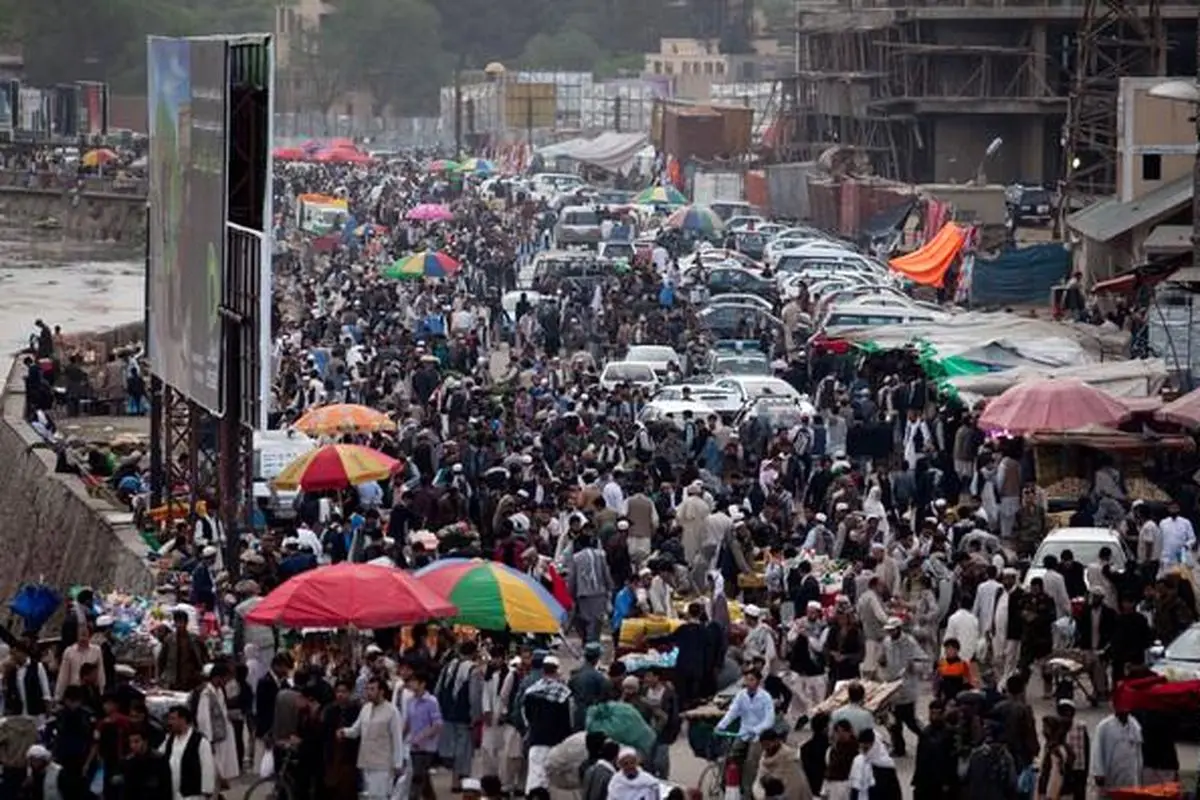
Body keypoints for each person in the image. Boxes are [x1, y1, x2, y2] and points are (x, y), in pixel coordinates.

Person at [337, 676, 406, 800]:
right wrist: (344, 732)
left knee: (379, 796)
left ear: (381, 691)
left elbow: (397, 739)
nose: (369, 692)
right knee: (369, 796)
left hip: (383, 763)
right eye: (367, 689)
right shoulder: (365, 709)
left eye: (372, 689)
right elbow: (356, 730)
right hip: (366, 761)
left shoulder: (392, 711)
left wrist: (398, 763)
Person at [715, 668, 775, 799]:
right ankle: (727, 785)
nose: (748, 682)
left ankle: (750, 793)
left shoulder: (765, 697)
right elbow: (732, 712)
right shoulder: (741, 695)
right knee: (731, 757)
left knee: (752, 763)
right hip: (743, 733)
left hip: (758, 736)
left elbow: (769, 719)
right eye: (747, 679)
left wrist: (757, 730)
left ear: (758, 682)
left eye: (752, 680)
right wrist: (721, 725)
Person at [522, 655, 573, 794]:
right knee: (550, 778)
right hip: (556, 742)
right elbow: (567, 720)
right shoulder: (564, 693)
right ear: (557, 670)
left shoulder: (531, 691)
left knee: (534, 775)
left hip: (536, 739)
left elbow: (527, 716)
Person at [878, 617, 926, 757]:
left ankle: (927, 739)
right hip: (891, 687)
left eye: (892, 630)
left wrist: (914, 666)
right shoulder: (886, 642)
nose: (890, 633)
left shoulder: (910, 643)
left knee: (910, 721)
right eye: (888, 631)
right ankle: (899, 748)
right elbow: (883, 658)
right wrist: (882, 661)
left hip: (907, 687)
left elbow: (923, 662)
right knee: (893, 723)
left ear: (899, 629)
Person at [1091, 692, 1144, 794]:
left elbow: (1138, 751)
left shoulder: (1134, 725)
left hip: (1129, 773)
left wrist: (1139, 771)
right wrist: (1099, 772)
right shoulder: (1104, 726)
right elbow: (1097, 750)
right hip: (1111, 772)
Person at [160, 704, 216, 800]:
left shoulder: (200, 741)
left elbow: (207, 766)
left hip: (192, 795)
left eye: (173, 719)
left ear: (183, 720)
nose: (170, 722)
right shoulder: (170, 739)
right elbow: (159, 756)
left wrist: (207, 790)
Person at [912, 699, 956, 800]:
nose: (935, 717)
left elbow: (951, 761)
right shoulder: (925, 733)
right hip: (925, 781)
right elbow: (920, 758)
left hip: (941, 782)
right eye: (932, 713)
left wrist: (948, 782)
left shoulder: (949, 733)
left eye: (938, 713)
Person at [756, 728, 813, 800]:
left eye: (767, 744)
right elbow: (759, 780)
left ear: (776, 741)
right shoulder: (764, 759)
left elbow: (795, 785)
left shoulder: (789, 757)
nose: (766, 748)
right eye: (763, 745)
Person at [120, 725, 173, 800]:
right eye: (131, 742)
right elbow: (127, 791)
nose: (133, 745)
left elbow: (166, 788)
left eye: (136, 741)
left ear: (145, 741)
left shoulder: (159, 759)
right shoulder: (128, 762)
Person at [847, 728, 899, 800]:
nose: (864, 752)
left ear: (874, 745)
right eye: (861, 748)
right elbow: (854, 788)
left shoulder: (886, 764)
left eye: (866, 748)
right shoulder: (858, 761)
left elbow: (894, 794)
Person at [799, 713, 829, 798]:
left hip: (811, 790)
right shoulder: (831, 748)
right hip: (826, 789)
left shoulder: (804, 747)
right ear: (825, 728)